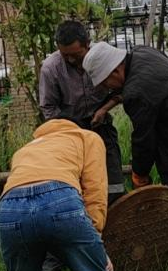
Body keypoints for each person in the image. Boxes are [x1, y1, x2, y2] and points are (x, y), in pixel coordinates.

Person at [83, 43, 168, 258]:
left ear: (116, 71)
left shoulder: (138, 93)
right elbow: (151, 89)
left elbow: (143, 140)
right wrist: (105, 107)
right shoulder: (142, 53)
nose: (107, 89)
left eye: (105, 84)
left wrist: (139, 175)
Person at [0, 118, 120, 271]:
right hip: (59, 198)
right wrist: (96, 241)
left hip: (9, 208)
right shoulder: (87, 138)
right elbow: (95, 191)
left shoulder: (25, 149)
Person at [39, 20, 125, 205]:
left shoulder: (102, 57)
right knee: (79, 183)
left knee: (114, 182)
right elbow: (48, 108)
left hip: (100, 124)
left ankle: (115, 211)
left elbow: (122, 89)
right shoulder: (50, 68)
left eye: (76, 55)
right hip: (69, 132)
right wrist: (70, 130)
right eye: (65, 55)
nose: (71, 60)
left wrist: (103, 110)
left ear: (87, 45)